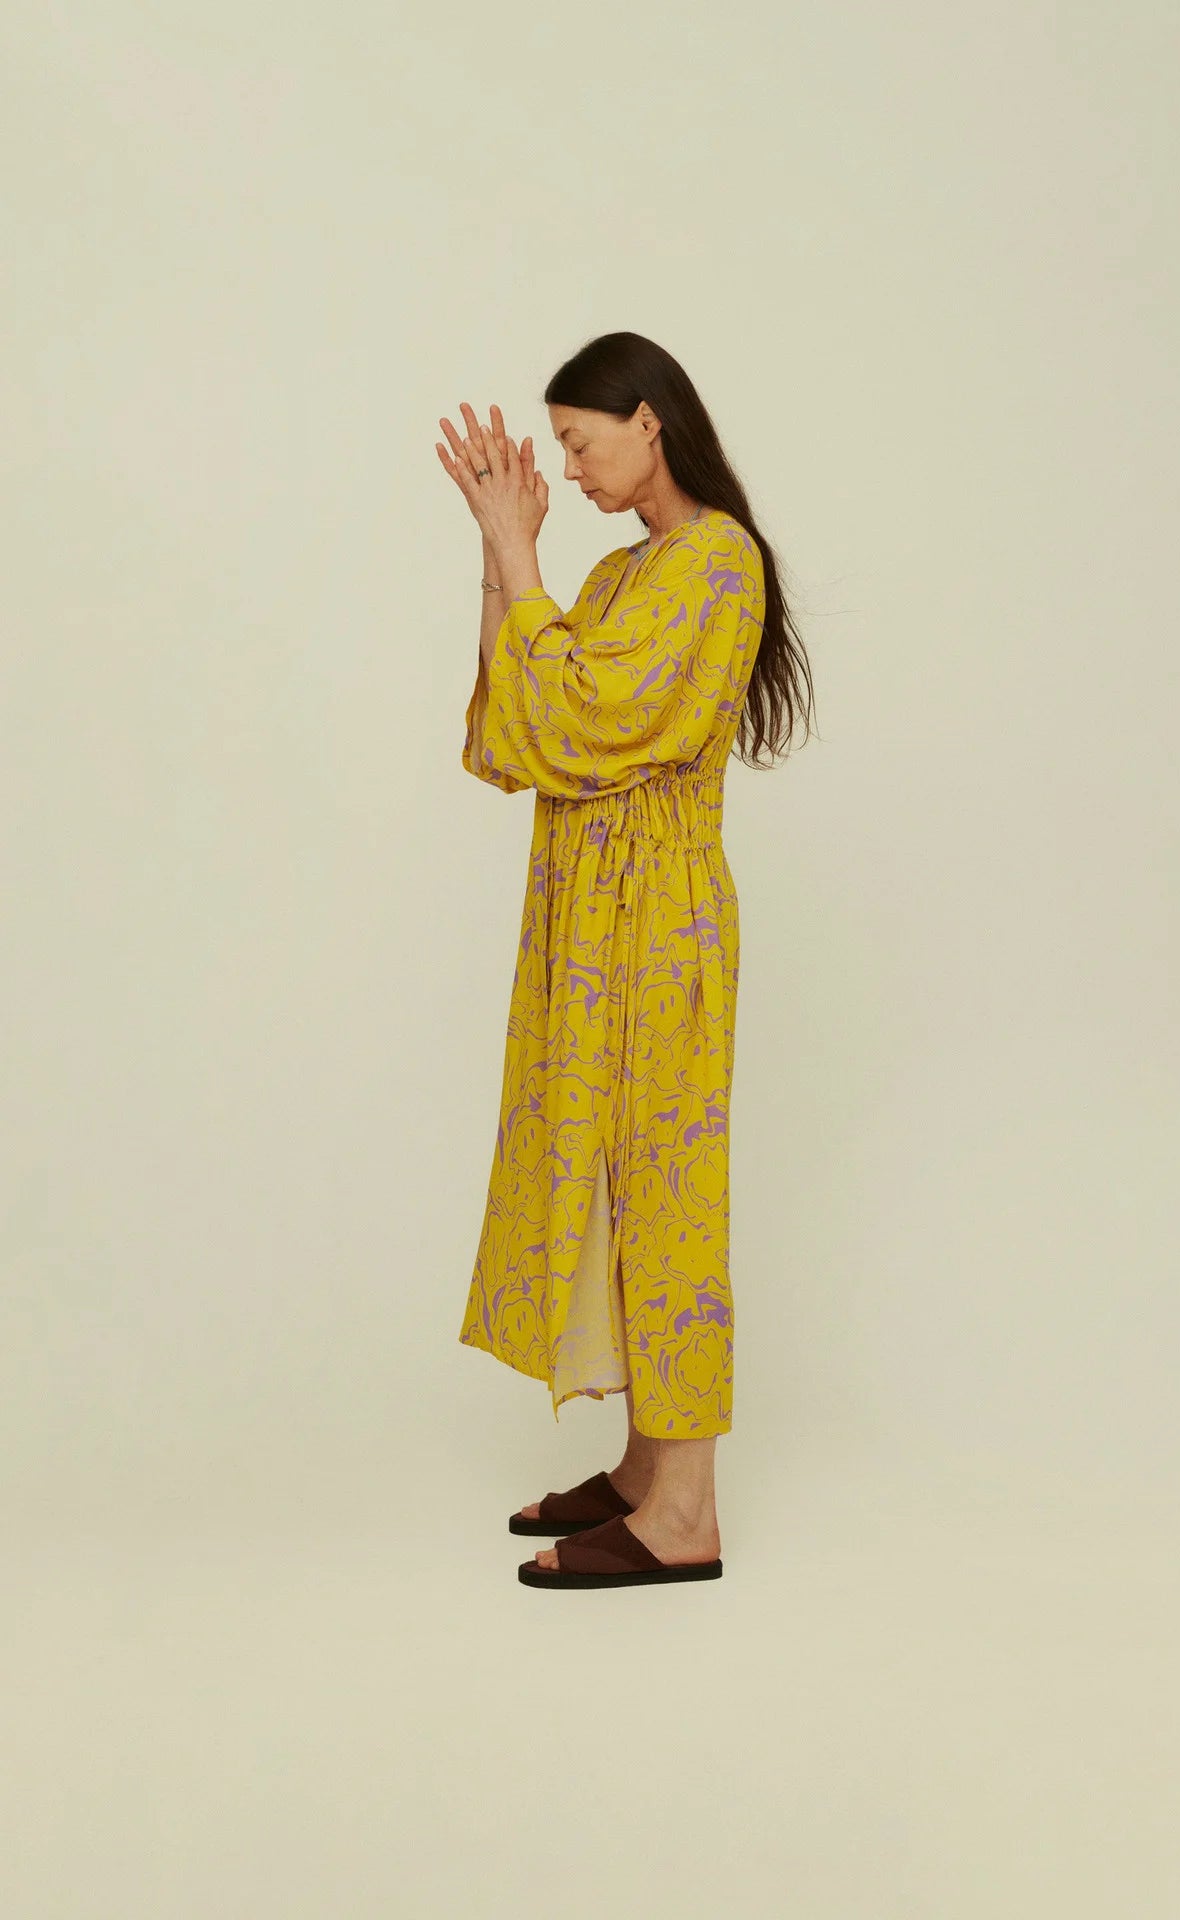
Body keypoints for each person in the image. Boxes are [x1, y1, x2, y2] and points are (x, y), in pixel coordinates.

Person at [436, 331, 815, 1590]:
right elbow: (514, 732)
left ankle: (686, 1513)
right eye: (554, 450)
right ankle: (649, 1466)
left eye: (579, 442)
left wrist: (517, 554)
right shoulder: (613, 575)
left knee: (665, 1190)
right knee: (604, 1177)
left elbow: (590, 716)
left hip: (656, 919)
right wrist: (498, 555)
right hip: (582, 912)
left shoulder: (719, 562)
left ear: (649, 421)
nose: (566, 470)